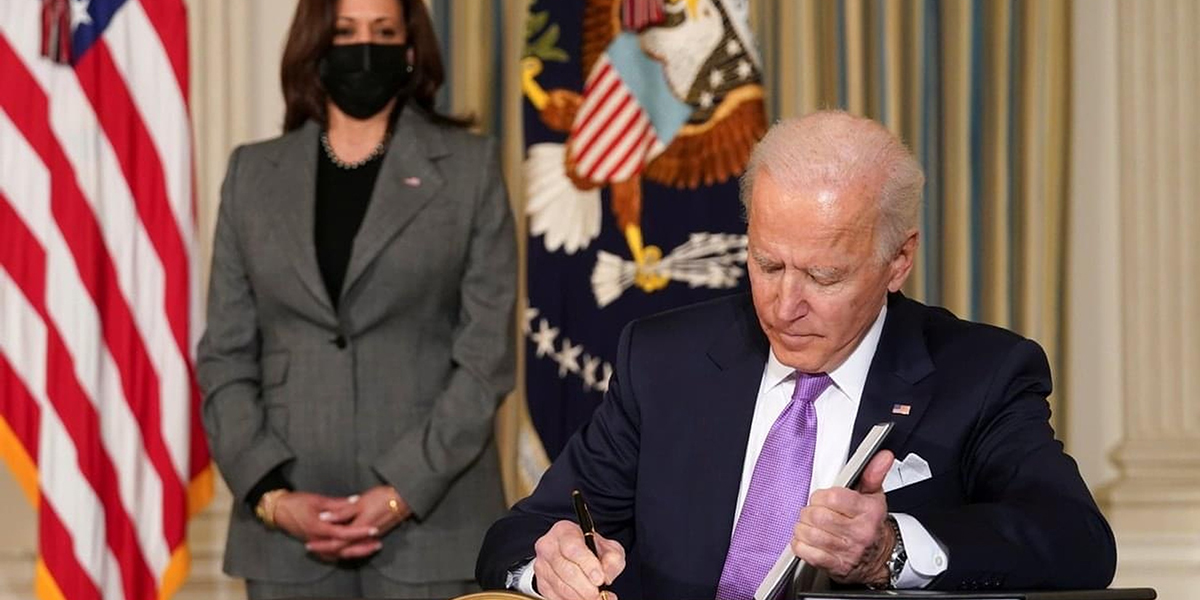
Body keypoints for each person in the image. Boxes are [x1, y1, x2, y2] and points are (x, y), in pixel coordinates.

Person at [475, 111, 1115, 599]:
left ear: (899, 259)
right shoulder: (664, 360)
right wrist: (550, 564)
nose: (784, 304)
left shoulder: (979, 373)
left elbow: (1076, 541)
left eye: (825, 276)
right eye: (766, 263)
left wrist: (889, 549)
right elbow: (523, 531)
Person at [197, 0, 516, 597]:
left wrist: (402, 491)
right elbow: (225, 357)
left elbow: (485, 360)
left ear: (412, 50)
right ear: (314, 46)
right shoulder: (252, 174)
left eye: (384, 32)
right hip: (286, 541)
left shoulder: (470, 170)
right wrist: (271, 497)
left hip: (433, 529)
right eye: (345, 32)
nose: (363, 47)